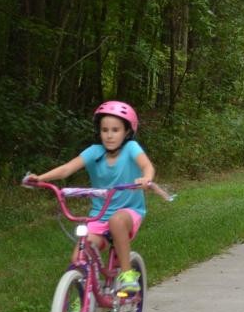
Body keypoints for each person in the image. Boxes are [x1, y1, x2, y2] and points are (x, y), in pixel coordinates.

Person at [26, 100, 155, 295]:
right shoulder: (94, 152)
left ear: (127, 132)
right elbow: (66, 169)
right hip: (98, 216)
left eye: (115, 130)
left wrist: (146, 178)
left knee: (116, 220)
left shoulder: (131, 149)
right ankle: (81, 301)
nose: (109, 135)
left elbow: (147, 166)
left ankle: (128, 275)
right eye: (105, 130)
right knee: (79, 255)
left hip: (128, 213)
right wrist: (40, 178)